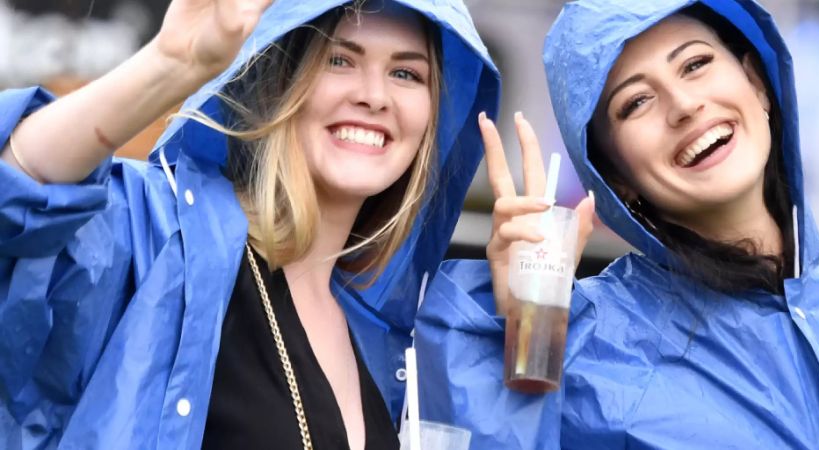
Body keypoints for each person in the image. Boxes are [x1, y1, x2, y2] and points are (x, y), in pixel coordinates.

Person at [0, 0, 499, 448]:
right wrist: (170, 65)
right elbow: (18, 191)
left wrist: (523, 320)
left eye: (407, 74)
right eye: (339, 59)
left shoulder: (389, 340)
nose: (374, 95)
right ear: (281, 79)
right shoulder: (165, 236)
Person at [415, 0, 819, 448]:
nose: (685, 105)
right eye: (636, 102)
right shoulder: (586, 350)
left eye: (695, 64)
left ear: (756, 82)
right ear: (614, 179)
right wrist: (525, 324)